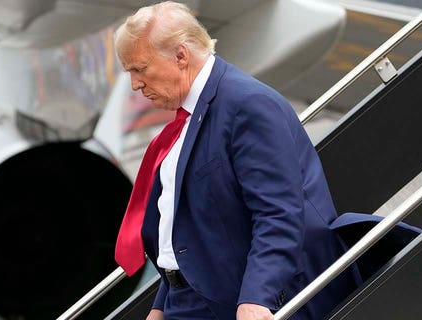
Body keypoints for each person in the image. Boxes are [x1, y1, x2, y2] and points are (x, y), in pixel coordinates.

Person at [113, 2, 362, 319]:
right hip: (189, 300)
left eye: (140, 69)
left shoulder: (247, 104)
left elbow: (279, 212)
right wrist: (162, 304)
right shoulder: (190, 119)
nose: (135, 84)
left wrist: (258, 297)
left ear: (180, 56)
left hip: (234, 304)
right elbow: (187, 228)